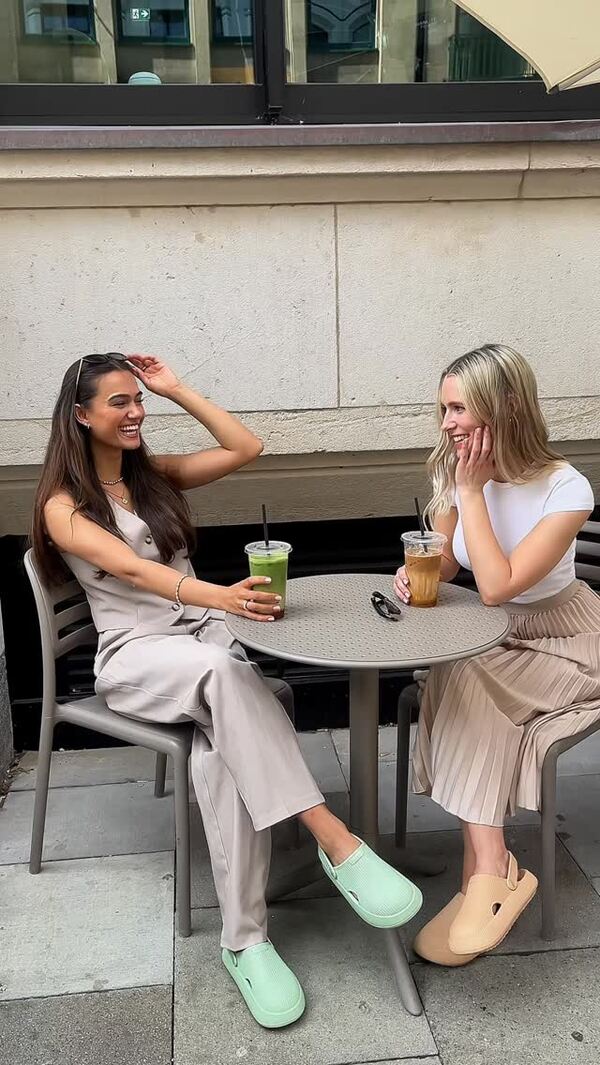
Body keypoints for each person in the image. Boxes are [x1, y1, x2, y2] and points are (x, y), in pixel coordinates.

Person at [32, 352, 423, 1028]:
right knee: (227, 676)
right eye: (119, 402)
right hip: (140, 657)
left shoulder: (150, 476)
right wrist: (222, 598)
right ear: (81, 414)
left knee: (219, 750)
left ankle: (245, 941)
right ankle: (334, 837)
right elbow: (132, 567)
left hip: (202, 637)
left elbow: (246, 445)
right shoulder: (64, 506)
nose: (135, 411)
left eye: (138, 399)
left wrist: (177, 387)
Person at [394, 344, 599, 966]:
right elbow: (453, 565)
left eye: (459, 408)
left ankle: (485, 868)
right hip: (493, 636)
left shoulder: (566, 488)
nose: (448, 422)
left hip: (566, 641)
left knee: (458, 672)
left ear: (506, 403)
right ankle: (489, 864)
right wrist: (418, 570)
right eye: (443, 409)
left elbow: (496, 586)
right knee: (458, 665)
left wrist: (469, 490)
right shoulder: (458, 471)